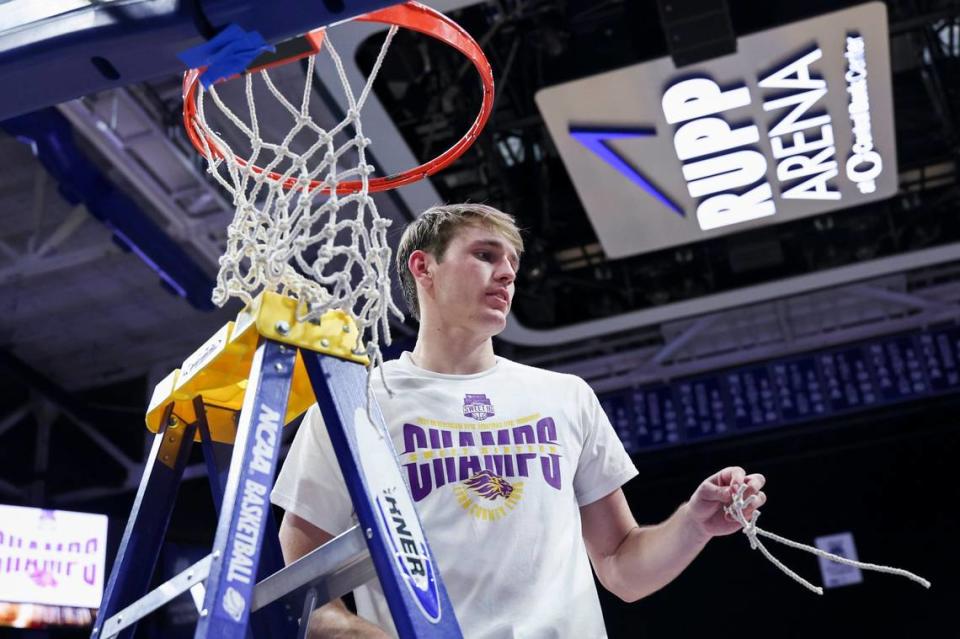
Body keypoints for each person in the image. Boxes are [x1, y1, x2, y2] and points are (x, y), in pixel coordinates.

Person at [271, 203, 767, 638]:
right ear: (424, 267)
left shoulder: (565, 397)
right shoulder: (355, 406)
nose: (508, 273)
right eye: (486, 255)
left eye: (512, 262)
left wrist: (693, 525)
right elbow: (308, 597)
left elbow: (621, 566)